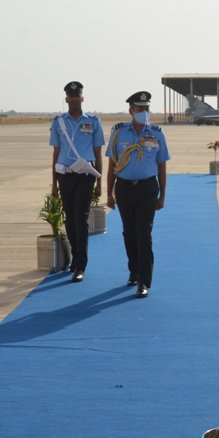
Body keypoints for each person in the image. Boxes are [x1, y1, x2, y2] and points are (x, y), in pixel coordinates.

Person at [105, 91, 170, 298]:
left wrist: (162, 196)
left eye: (147, 108)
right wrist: (109, 194)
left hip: (147, 189)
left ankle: (144, 280)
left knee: (143, 233)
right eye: (140, 108)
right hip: (124, 188)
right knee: (129, 232)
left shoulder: (157, 133)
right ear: (131, 110)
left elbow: (162, 167)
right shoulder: (118, 132)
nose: (144, 112)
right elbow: (112, 165)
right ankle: (133, 270)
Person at [49, 81, 104, 282]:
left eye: (77, 96)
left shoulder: (94, 121)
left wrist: (99, 182)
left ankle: (81, 264)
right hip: (65, 175)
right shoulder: (58, 122)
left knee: (81, 219)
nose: (74, 99)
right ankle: (74, 256)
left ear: (83, 98)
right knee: (70, 219)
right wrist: (54, 184)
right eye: (71, 96)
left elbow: (98, 153)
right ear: (66, 99)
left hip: (86, 176)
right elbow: (55, 153)